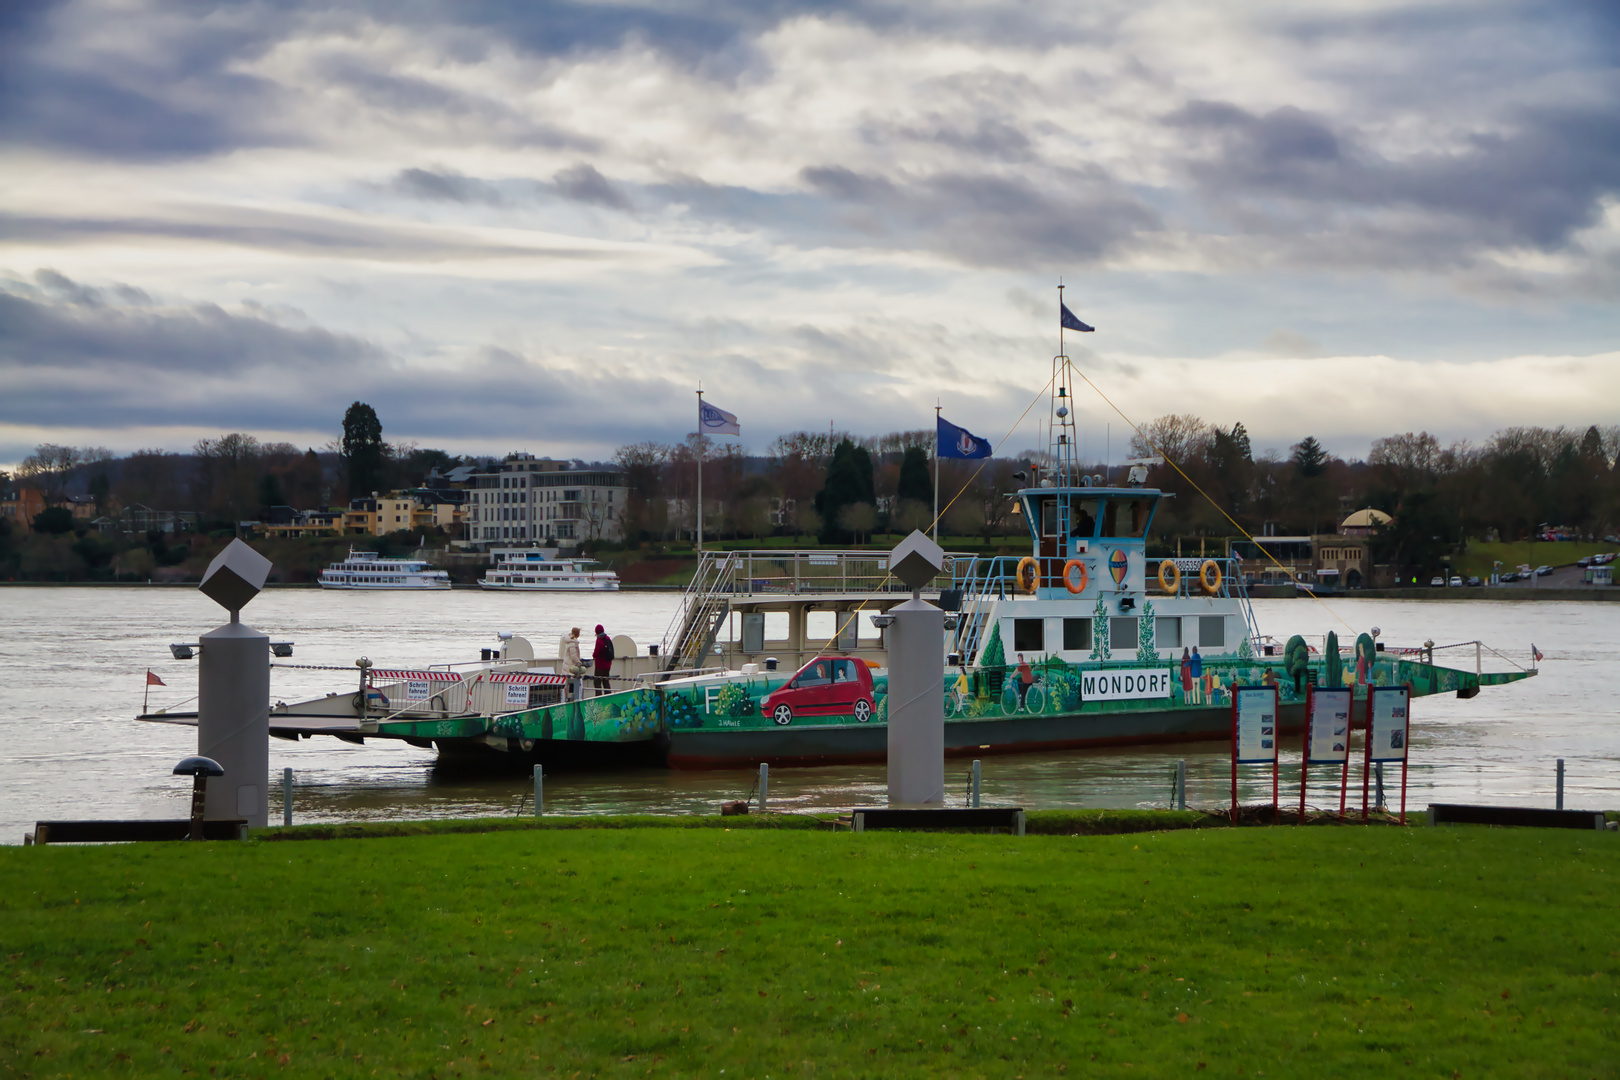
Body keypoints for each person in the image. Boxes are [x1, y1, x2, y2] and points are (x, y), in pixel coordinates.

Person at [592, 623, 614, 696]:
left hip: (600, 665)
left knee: (597, 682)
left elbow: (596, 652)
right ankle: (608, 696)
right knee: (606, 682)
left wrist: (593, 656)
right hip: (608, 664)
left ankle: (598, 697)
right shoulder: (607, 638)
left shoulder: (599, 640)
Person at [564, 627, 584, 701]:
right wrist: (579, 663)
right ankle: (571, 700)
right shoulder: (572, 643)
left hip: (567, 665)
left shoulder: (570, 642)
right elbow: (573, 656)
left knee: (569, 684)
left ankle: (568, 699)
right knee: (571, 685)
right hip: (570, 667)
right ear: (578, 634)